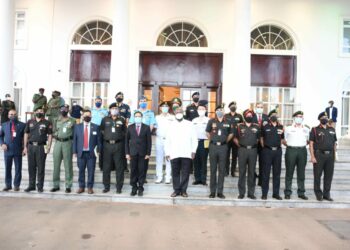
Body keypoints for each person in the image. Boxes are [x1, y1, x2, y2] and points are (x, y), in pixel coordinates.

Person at [165, 106, 198, 198]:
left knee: (185, 173)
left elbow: (194, 138)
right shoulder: (170, 124)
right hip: (174, 152)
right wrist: (167, 152)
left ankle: (183, 190)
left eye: (180, 111)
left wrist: (193, 150)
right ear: (174, 113)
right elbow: (167, 140)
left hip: (186, 152)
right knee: (175, 173)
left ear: (183, 112)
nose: (179, 112)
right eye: (177, 111)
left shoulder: (189, 124)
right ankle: (176, 190)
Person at [206, 104, 233, 199]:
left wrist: (225, 141)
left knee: (222, 170)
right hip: (213, 147)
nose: (220, 111)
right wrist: (212, 140)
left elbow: (231, 134)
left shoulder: (228, 122)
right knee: (213, 170)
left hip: (223, 148)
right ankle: (212, 192)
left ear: (224, 111)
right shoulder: (211, 121)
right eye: (218, 110)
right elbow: (207, 132)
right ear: (215, 112)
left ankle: (220, 192)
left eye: (221, 110)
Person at [23, 107, 53, 192]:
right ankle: (31, 185)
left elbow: (50, 135)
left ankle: (40, 186)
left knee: (41, 167)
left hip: (41, 147)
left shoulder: (47, 123)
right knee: (31, 167)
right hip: (31, 146)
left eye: (41, 111)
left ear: (44, 113)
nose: (40, 112)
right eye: (38, 111)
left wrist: (48, 147)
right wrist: (25, 146)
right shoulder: (30, 122)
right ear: (35, 112)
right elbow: (26, 133)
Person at [309, 112, 337, 201]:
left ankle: (326, 194)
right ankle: (318, 194)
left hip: (330, 156)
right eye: (324, 117)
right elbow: (311, 144)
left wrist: (335, 155)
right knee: (317, 176)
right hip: (319, 155)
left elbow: (334, 143)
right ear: (320, 119)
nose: (325, 118)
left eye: (326, 117)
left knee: (329, 176)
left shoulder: (332, 129)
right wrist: (312, 156)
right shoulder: (315, 129)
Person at [73, 109, 101, 194]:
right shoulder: (77, 126)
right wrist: (74, 151)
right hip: (81, 153)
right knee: (81, 170)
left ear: (91, 116)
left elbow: (99, 140)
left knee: (91, 171)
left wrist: (99, 150)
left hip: (91, 153)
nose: (87, 117)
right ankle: (81, 187)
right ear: (82, 116)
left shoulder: (96, 127)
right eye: (85, 115)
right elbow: (75, 140)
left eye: (89, 115)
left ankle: (90, 187)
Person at [100, 103, 127, 193]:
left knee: (119, 168)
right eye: (113, 108)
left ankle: (119, 187)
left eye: (116, 108)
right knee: (106, 167)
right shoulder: (105, 119)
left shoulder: (122, 120)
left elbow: (125, 132)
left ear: (118, 110)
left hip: (118, 146)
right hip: (107, 146)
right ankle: (106, 186)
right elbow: (102, 131)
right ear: (110, 110)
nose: (114, 110)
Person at [234, 109, 260, 199]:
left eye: (250, 115)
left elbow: (258, 139)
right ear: (244, 116)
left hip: (253, 151)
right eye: (247, 115)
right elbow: (235, 138)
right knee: (242, 172)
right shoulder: (239, 126)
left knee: (252, 172)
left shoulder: (257, 126)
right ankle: (241, 193)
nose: (249, 116)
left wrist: (251, 145)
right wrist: (241, 146)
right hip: (242, 150)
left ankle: (251, 193)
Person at [129, 95, 156, 182]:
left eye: (144, 101)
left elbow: (151, 124)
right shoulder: (135, 113)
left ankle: (143, 178)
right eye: (141, 101)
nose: (143, 102)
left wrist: (146, 133)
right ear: (139, 102)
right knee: (135, 163)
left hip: (145, 138)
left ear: (146, 102)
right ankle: (135, 178)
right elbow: (130, 125)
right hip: (135, 138)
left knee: (144, 162)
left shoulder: (150, 113)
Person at [284, 111, 309, 200]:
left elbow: (308, 140)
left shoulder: (306, 129)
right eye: (298, 116)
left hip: (302, 151)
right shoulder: (288, 128)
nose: (299, 118)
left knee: (301, 173)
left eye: (301, 117)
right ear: (294, 118)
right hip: (291, 150)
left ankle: (301, 192)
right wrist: (291, 145)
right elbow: (284, 140)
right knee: (289, 173)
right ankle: (287, 192)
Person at [125, 111, 152, 197]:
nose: (137, 117)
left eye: (139, 116)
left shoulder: (146, 127)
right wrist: (127, 153)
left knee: (142, 171)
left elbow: (149, 142)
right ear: (134, 117)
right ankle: (134, 188)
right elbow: (126, 142)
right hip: (132, 153)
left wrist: (148, 153)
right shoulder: (130, 127)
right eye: (136, 116)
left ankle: (140, 188)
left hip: (143, 154)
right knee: (133, 171)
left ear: (141, 117)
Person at [260, 109, 284, 200]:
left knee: (277, 173)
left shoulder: (281, 127)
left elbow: (282, 138)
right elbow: (261, 138)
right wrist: (265, 147)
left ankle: (276, 193)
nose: (275, 116)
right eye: (273, 115)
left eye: (276, 115)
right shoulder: (265, 126)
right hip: (267, 151)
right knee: (266, 173)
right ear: (270, 117)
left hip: (277, 152)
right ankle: (264, 193)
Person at [51, 105, 75, 193]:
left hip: (67, 143)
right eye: (62, 109)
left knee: (68, 165)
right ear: (60, 110)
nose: (64, 110)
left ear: (68, 110)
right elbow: (53, 131)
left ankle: (68, 185)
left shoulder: (72, 120)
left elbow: (75, 133)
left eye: (66, 109)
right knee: (56, 165)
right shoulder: (56, 120)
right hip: (58, 143)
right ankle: (56, 185)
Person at [0, 109, 26, 191]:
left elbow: (25, 138)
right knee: (8, 168)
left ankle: (16, 185)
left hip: (18, 150)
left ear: (17, 115)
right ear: (8, 115)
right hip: (7, 150)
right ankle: (8, 185)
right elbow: (0, 136)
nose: (13, 116)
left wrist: (25, 148)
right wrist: (2, 144)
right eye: (11, 114)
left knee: (18, 169)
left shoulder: (22, 125)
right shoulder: (4, 125)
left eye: (14, 114)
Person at [155, 101, 174, 184]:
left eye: (166, 107)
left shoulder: (172, 117)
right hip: (159, 139)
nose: (165, 108)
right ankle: (159, 176)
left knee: (168, 159)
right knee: (159, 159)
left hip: (169, 140)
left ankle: (168, 177)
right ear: (160, 108)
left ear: (168, 108)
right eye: (163, 107)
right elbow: (154, 128)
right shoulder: (157, 117)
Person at [192, 100, 210, 185]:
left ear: (205, 110)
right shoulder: (194, 120)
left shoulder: (208, 120)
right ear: (197, 110)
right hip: (195, 142)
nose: (201, 111)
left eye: (202, 109)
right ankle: (197, 179)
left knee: (203, 161)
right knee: (196, 161)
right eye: (199, 109)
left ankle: (203, 179)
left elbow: (210, 132)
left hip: (204, 142)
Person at [224, 101, 243, 177]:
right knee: (226, 156)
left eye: (235, 105)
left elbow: (242, 127)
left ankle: (233, 171)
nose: (233, 107)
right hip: (228, 138)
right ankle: (226, 171)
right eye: (232, 105)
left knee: (235, 156)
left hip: (236, 139)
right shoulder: (225, 116)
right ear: (229, 107)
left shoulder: (239, 116)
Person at [252, 102, 269, 186]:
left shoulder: (266, 117)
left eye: (261, 107)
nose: (260, 108)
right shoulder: (251, 117)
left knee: (262, 162)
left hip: (263, 143)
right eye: (258, 107)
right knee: (253, 162)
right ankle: (253, 178)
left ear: (263, 108)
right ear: (255, 108)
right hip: (254, 143)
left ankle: (261, 180)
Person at [91, 96, 108, 171]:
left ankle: (101, 165)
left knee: (101, 147)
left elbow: (107, 120)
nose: (98, 102)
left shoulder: (105, 111)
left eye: (99, 101)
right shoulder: (91, 110)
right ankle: (91, 164)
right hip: (93, 130)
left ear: (101, 102)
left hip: (102, 130)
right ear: (94, 102)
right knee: (92, 146)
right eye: (97, 101)